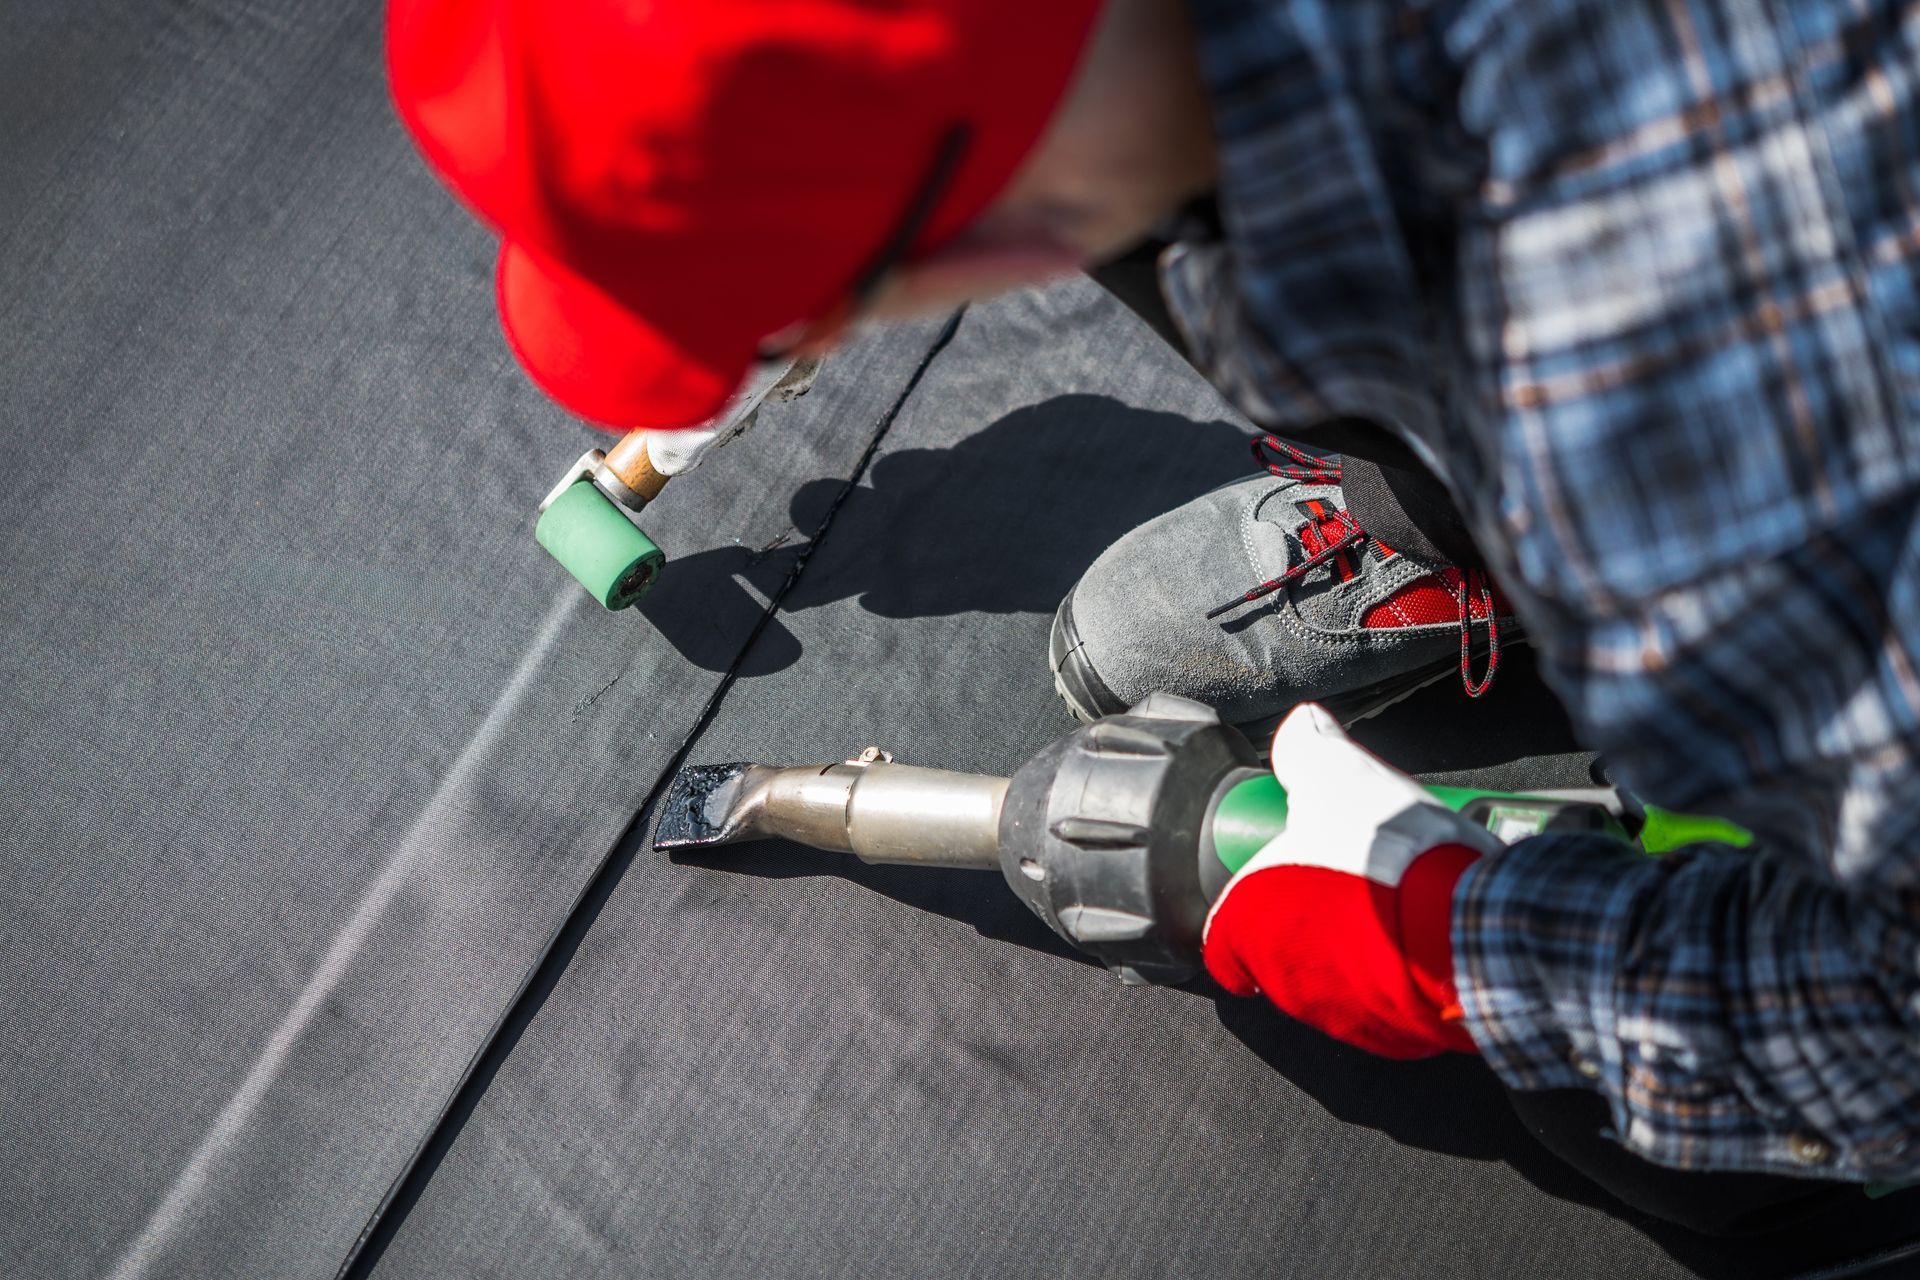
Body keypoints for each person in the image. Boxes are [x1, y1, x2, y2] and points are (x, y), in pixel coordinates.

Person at [386, 0, 1920, 1231]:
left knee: (1625, 1125)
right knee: (1133, 604)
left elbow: (1892, 1021)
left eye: (841, 286)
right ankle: (1464, 539)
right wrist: (757, 281)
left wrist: (1459, 942)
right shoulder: (1138, 53)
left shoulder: (1698, 365)